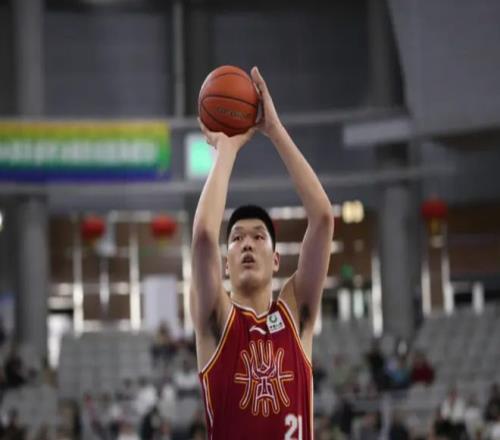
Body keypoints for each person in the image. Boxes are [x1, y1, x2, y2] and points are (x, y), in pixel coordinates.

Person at [190, 66, 334, 439]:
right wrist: (226, 149)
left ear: (276, 260)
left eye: (258, 237)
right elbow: (203, 236)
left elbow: (322, 218)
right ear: (225, 263)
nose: (248, 243)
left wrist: (275, 130)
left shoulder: (295, 314)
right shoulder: (216, 318)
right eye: (237, 238)